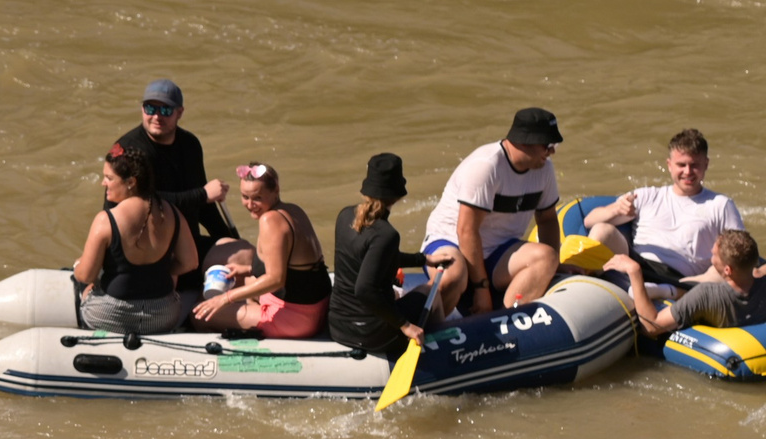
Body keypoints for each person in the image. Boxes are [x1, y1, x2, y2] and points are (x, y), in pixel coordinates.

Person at [423, 109, 563, 317]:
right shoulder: (486, 167)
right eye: (548, 145)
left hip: (499, 250)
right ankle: (424, 327)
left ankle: (506, 322)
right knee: (453, 275)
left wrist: (556, 267)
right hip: (452, 242)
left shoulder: (544, 169)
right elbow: (466, 231)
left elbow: (547, 220)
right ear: (525, 142)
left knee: (546, 258)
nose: (552, 152)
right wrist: (481, 289)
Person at [582, 130, 745, 285]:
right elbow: (589, 221)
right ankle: (581, 279)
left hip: (685, 282)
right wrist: (616, 210)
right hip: (636, 267)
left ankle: (666, 293)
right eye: (681, 165)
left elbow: (741, 253)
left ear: (706, 164)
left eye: (694, 165)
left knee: (723, 271)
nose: (687, 172)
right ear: (669, 165)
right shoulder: (646, 196)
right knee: (602, 230)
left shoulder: (721, 205)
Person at [118, 80, 236, 288]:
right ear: (142, 109)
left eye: (165, 109)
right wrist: (202, 195)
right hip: (146, 250)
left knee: (242, 253)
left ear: (179, 112)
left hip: (187, 248)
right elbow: (142, 202)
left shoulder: (190, 145)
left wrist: (230, 239)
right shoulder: (129, 150)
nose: (156, 116)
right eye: (150, 108)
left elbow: (204, 208)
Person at [188, 164, 331, 337]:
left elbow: (276, 279)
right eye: (245, 197)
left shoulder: (270, 221)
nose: (250, 204)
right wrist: (247, 270)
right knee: (241, 282)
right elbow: (290, 265)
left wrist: (226, 298)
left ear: (276, 190)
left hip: (297, 317)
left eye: (257, 198)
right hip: (318, 306)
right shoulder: (292, 210)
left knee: (200, 314)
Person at [73, 143, 198, 334]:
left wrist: (78, 267)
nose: (103, 183)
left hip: (111, 316)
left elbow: (87, 275)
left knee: (85, 284)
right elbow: (190, 262)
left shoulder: (106, 219)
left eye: (109, 178)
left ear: (131, 182)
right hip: (162, 316)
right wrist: (157, 272)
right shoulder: (172, 213)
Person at [328, 153, 430, 359]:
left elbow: (375, 258)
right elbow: (364, 289)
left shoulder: (345, 215)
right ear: (398, 195)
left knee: (396, 294)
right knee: (431, 291)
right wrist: (405, 325)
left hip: (338, 325)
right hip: (370, 333)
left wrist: (423, 259)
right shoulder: (386, 234)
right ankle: (439, 345)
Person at [661, 229, 766, 331]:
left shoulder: (707, 295)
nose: (711, 252)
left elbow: (653, 326)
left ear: (727, 270)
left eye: (714, 255)